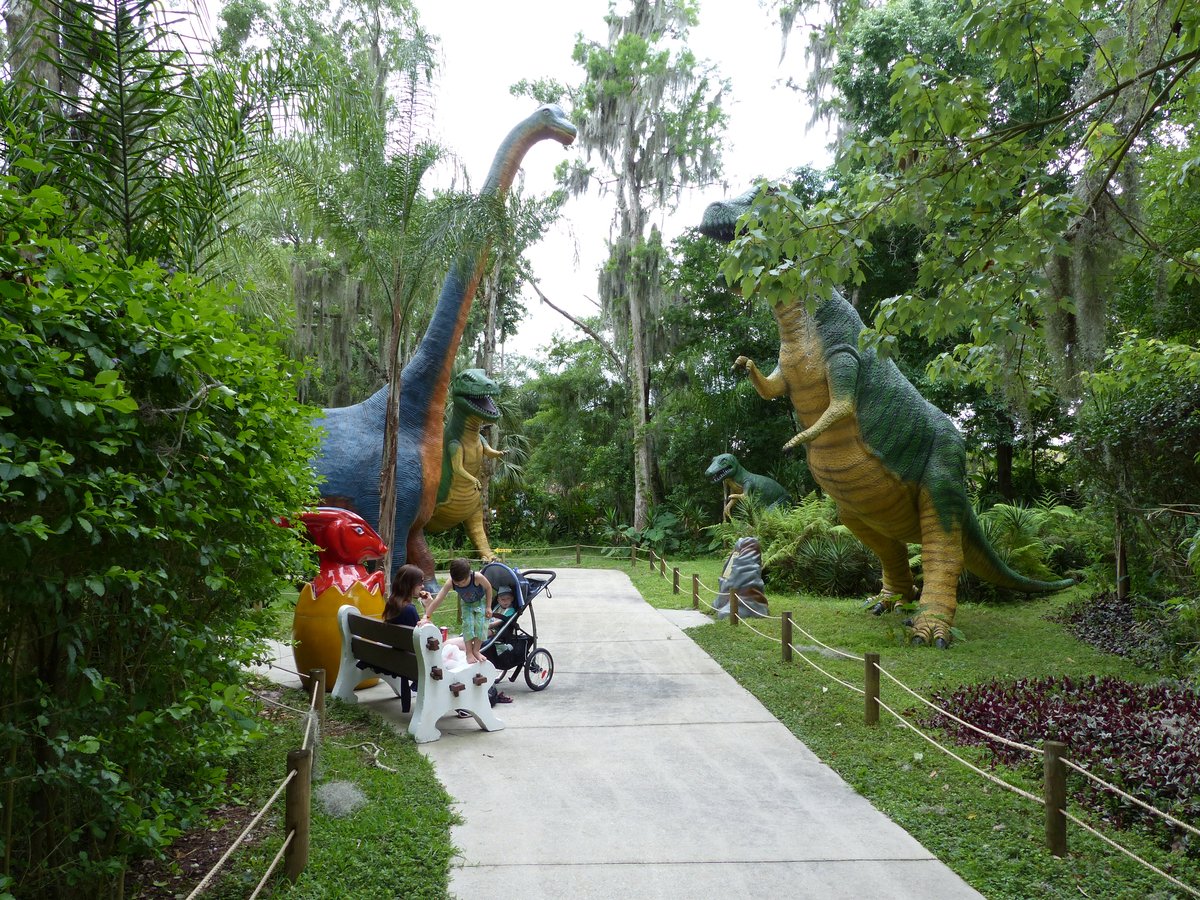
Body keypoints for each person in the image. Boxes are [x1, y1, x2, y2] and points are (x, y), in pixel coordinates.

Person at [423, 558, 492, 664]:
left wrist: (488, 607)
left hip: (480, 602)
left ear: (469, 574)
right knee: (467, 625)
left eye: (462, 582)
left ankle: (476, 650)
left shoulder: (477, 577)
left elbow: (488, 588)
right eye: (457, 583)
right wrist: (427, 616)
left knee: (481, 625)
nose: (460, 585)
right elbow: (439, 599)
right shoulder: (451, 582)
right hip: (467, 604)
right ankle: (469, 653)